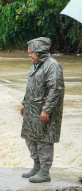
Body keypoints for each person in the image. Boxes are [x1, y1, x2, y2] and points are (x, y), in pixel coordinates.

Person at [20, 37, 64, 183]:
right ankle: (36, 166)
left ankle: (45, 171)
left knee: (44, 140)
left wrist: (47, 110)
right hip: (32, 109)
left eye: (32, 53)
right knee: (30, 138)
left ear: (40, 51)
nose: (30, 56)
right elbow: (30, 86)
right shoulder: (36, 65)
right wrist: (24, 102)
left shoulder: (53, 66)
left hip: (44, 111)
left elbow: (56, 89)